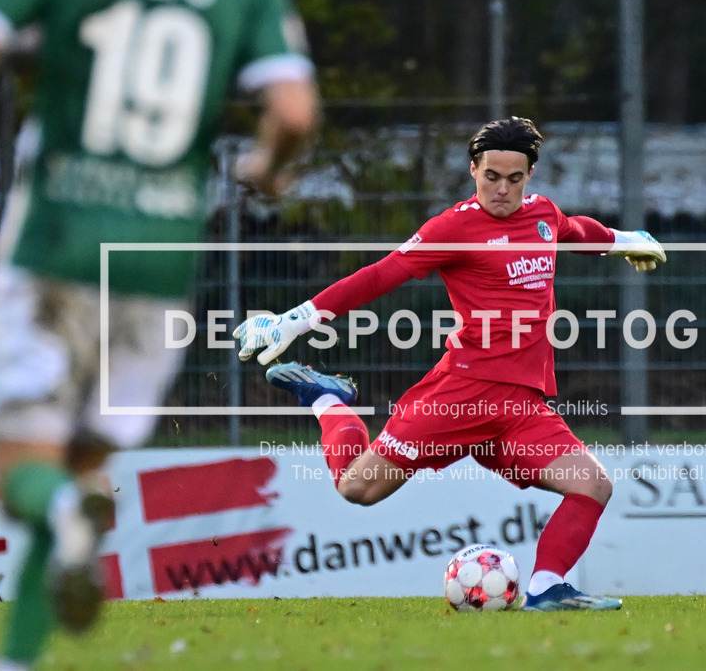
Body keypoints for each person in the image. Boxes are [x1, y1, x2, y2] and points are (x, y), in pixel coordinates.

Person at [0, 0, 318, 668]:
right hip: (160, 267)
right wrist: (267, 166)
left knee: (24, 473)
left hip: (57, 245)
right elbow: (293, 110)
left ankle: (59, 513)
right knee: (78, 470)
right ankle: (18, 658)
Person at [234, 116, 665, 612]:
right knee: (358, 487)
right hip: (461, 394)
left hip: (522, 405)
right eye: (492, 177)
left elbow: (572, 230)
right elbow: (379, 276)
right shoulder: (453, 228)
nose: (502, 189)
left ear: (529, 178)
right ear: (473, 171)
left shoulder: (541, 215)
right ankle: (327, 398)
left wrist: (622, 239)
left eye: (515, 179)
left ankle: (547, 589)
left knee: (592, 485)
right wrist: (295, 321)